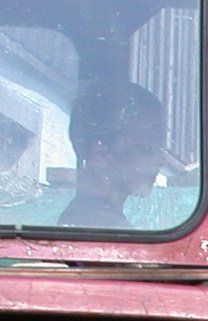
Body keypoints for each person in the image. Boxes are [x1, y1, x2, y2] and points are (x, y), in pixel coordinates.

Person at [59, 79, 174, 229]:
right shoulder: (95, 230)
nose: (161, 161)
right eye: (146, 149)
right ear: (100, 153)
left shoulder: (98, 223)